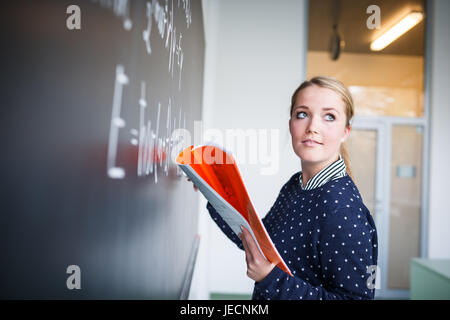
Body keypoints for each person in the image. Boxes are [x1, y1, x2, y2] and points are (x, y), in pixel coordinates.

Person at [188, 76, 378, 300]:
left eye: (329, 116)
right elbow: (261, 244)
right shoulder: (295, 186)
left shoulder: (343, 209)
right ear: (290, 125)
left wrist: (270, 278)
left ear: (346, 132)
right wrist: (214, 192)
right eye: (302, 114)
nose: (312, 127)